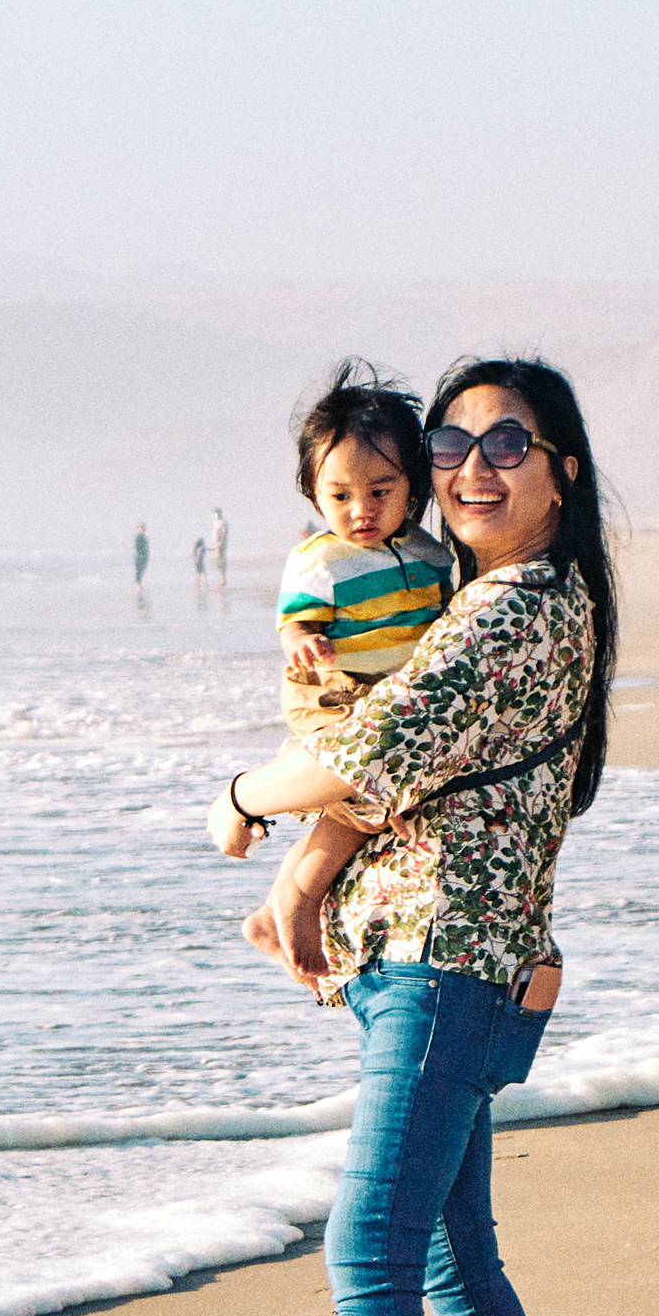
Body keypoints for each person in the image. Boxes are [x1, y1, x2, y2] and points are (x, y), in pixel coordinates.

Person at [193, 355, 618, 1316]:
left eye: (509, 443)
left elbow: (360, 753)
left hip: (445, 968)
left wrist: (237, 797)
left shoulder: (513, 613)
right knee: (447, 1251)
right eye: (453, 442)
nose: (473, 466)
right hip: (434, 964)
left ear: (563, 472)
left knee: (371, 1245)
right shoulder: (490, 604)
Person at [255, 366, 455, 931]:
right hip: (335, 690)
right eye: (339, 495)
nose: (360, 510)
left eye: (379, 492)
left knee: (378, 805)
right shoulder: (321, 560)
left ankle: (288, 909)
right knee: (360, 800)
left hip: (392, 691)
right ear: (313, 493)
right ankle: (293, 905)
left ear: (413, 488)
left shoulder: (430, 554)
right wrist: (304, 641)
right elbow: (294, 622)